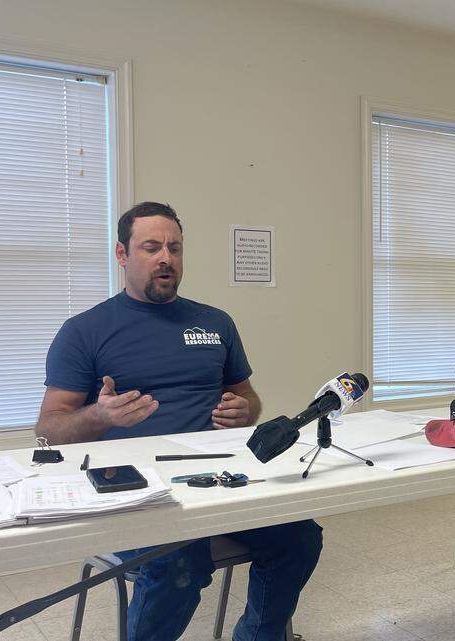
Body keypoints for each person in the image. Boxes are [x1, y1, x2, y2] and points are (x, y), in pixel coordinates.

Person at [35, 202, 321, 641]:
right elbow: (48, 430)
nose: (165, 258)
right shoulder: (84, 331)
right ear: (122, 254)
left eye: (174, 248)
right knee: (179, 562)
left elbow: (247, 397)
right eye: (151, 247)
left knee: (300, 537)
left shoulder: (215, 322)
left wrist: (246, 410)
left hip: (217, 477)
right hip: (135, 492)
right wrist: (99, 414)